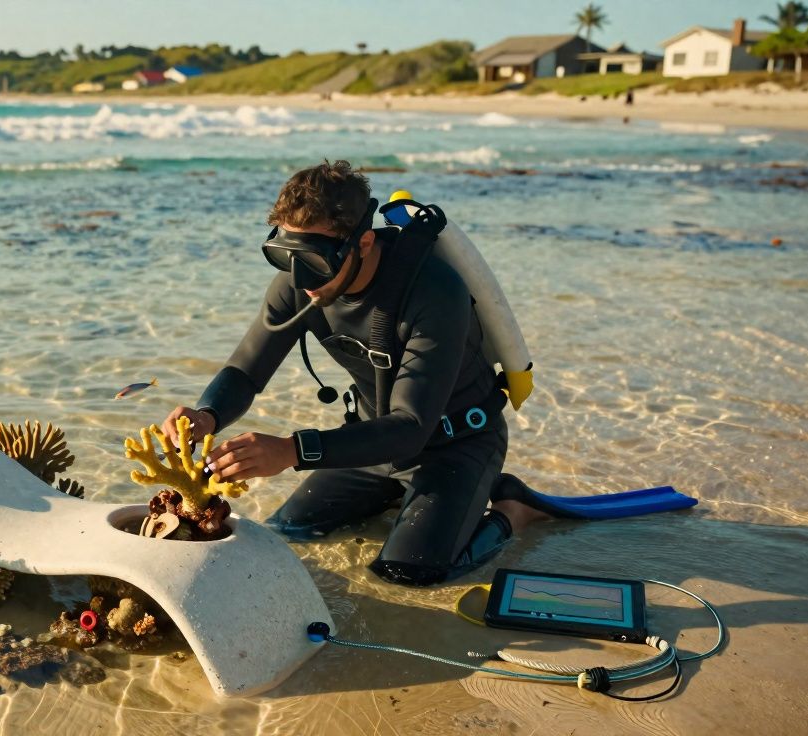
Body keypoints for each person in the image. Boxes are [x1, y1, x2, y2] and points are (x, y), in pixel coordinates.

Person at [159, 160, 548, 586]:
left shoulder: (434, 291)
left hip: (456, 445)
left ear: (362, 242)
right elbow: (246, 371)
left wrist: (292, 451)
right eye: (285, 256)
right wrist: (207, 415)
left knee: (407, 573)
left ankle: (513, 511)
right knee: (288, 534)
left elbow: (411, 427)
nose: (301, 277)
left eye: (315, 260)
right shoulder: (299, 283)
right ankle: (394, 502)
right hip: (367, 443)